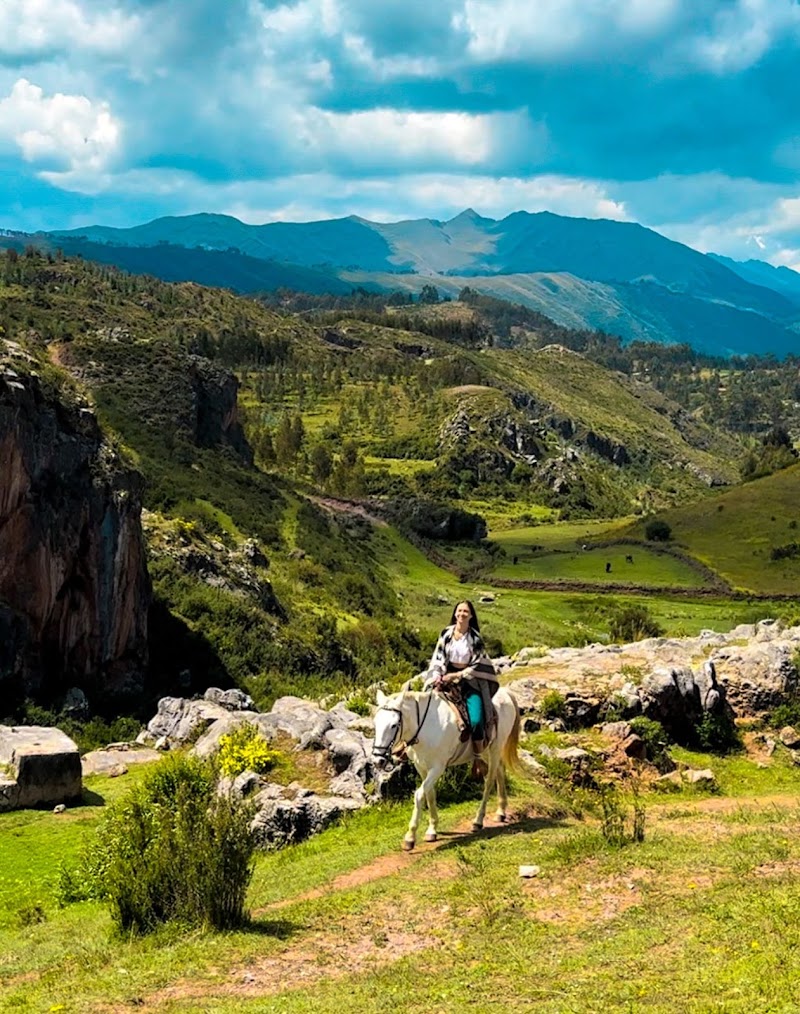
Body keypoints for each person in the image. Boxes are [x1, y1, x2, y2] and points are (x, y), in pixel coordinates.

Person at [425, 601, 499, 767]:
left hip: (470, 681)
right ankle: (409, 746)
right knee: (424, 705)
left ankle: (478, 756)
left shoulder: (475, 638)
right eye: (459, 610)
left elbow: (477, 664)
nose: (462, 614)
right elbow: (439, 657)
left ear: (471, 616)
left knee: (477, 720)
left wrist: (457, 675)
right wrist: (438, 675)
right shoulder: (446, 633)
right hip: (446, 676)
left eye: (466, 611)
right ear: (455, 613)